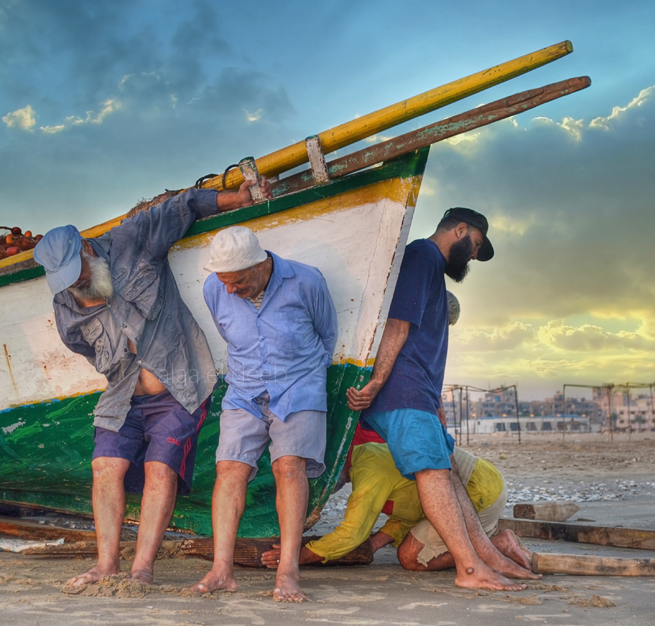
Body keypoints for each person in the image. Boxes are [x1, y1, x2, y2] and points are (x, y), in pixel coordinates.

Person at [34, 178, 267, 587]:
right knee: (105, 466)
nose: (74, 283)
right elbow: (79, 345)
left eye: (78, 272)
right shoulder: (65, 302)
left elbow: (185, 204)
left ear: (87, 248)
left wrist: (237, 197)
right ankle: (106, 564)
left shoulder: (133, 238)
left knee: (161, 469)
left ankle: (142, 569)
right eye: (65, 280)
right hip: (122, 396)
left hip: (178, 389)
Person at [346, 207, 540, 591]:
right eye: (475, 246)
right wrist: (379, 381)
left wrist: (434, 401)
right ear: (461, 230)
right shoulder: (421, 256)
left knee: (447, 472)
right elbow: (398, 324)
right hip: (404, 389)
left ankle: (488, 555)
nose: (472, 256)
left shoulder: (432, 268)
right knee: (434, 473)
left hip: (419, 393)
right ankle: (469, 569)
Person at [192, 226, 337, 602]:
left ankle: (288, 569)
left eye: (238, 282)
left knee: (289, 467)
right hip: (243, 390)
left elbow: (327, 337)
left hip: (298, 387)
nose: (230, 291)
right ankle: (222, 569)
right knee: (229, 468)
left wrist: (303, 377)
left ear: (260, 265)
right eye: (224, 282)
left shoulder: (306, 281)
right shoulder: (215, 288)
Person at [260, 424, 532, 573]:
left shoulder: (369, 470)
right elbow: (411, 510)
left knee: (411, 557)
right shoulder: (369, 457)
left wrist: (295, 556)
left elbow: (352, 534)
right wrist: (378, 541)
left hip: (477, 492)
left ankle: (497, 544)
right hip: (485, 479)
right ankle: (486, 536)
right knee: (410, 543)